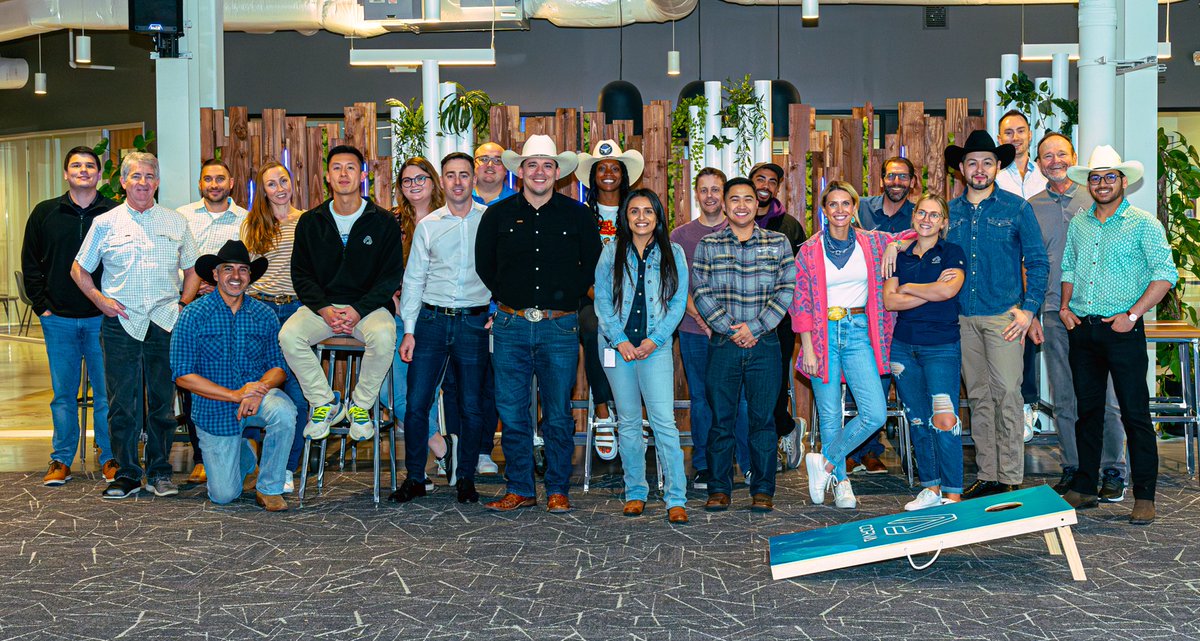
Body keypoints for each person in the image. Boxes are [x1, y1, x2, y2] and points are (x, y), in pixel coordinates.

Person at [475, 134, 603, 513]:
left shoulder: (578, 215)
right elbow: (484, 265)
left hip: (559, 327)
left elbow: (592, 266)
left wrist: (565, 298)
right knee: (512, 412)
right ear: (520, 171)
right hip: (510, 324)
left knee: (558, 413)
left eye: (548, 165)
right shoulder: (497, 215)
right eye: (532, 164)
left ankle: (558, 489)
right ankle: (520, 488)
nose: (540, 172)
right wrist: (508, 297)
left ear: (558, 172)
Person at [71, 151, 201, 500]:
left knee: (162, 403)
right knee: (121, 403)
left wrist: (183, 304)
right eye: (136, 176)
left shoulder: (175, 221)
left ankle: (159, 472)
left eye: (149, 176)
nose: (143, 182)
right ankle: (127, 473)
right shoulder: (106, 222)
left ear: (157, 182)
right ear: (123, 181)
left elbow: (193, 270)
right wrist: (100, 300)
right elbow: (79, 269)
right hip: (121, 323)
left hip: (164, 321)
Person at [1059, 145, 1176, 525]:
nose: (1102, 183)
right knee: (1087, 412)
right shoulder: (1080, 223)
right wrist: (1064, 307)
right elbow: (1069, 268)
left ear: (1123, 181)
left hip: (1123, 331)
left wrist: (1133, 315)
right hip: (1082, 329)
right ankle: (1084, 487)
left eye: (1110, 176)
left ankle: (1145, 496)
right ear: (1088, 183)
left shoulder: (1144, 223)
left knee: (1135, 414)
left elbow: (1165, 275)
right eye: (1096, 177)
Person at [793, 181, 913, 509]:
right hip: (822, 335)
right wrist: (808, 348)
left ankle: (825, 462)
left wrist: (895, 246)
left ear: (855, 207)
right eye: (833, 204)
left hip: (859, 331)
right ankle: (841, 483)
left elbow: (917, 233)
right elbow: (800, 302)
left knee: (874, 413)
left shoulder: (874, 242)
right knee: (830, 414)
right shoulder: (809, 250)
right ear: (824, 209)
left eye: (846, 203)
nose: (840, 210)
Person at [944, 130, 1049, 499]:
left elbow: (1038, 263)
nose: (980, 168)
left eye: (987, 162)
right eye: (972, 162)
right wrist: (895, 247)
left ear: (997, 167)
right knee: (978, 397)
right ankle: (988, 474)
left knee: (1007, 394)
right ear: (961, 168)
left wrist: (1029, 311)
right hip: (962, 319)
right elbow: (924, 246)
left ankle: (1010, 477)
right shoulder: (950, 213)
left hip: (1005, 317)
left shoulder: (1016, 209)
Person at [1026, 133, 1128, 500]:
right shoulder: (1031, 207)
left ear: (1073, 157)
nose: (1054, 161)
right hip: (1055, 313)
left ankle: (1113, 469)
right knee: (1065, 397)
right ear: (1039, 164)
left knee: (1107, 397)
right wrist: (1032, 313)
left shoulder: (1096, 196)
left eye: (1061, 154)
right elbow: (1029, 263)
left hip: (1099, 315)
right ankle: (1074, 467)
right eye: (1047, 156)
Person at [280, 145, 403, 442]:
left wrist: (359, 309)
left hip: (368, 309)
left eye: (350, 167)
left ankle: (360, 405)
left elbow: (390, 277)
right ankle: (324, 402)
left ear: (362, 175)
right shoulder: (311, 221)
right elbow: (301, 275)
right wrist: (324, 308)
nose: (343, 173)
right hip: (321, 308)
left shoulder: (383, 221)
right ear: (327, 176)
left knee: (385, 336)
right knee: (289, 336)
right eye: (336, 167)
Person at [389, 152, 492, 505]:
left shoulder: (489, 221)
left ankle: (466, 478)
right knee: (417, 403)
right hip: (430, 322)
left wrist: (497, 311)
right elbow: (414, 280)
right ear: (442, 181)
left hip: (473, 322)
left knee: (471, 405)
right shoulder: (429, 225)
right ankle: (415, 478)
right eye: (451, 175)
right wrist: (409, 330)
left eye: (464, 174)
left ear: (473, 179)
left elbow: (504, 270)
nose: (458, 182)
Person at [692, 177, 795, 513]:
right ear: (724, 205)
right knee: (721, 420)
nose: (741, 205)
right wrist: (731, 329)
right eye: (734, 199)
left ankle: (763, 489)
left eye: (748, 199)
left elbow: (786, 289)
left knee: (763, 421)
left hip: (765, 344)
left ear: (756, 204)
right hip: (724, 344)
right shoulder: (708, 244)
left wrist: (755, 327)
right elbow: (701, 291)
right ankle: (719, 489)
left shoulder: (778, 242)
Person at [170, 241, 294, 511]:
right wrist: (235, 395)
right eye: (228, 269)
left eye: (243, 270)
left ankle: (269, 488)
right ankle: (246, 457)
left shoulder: (264, 314)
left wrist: (258, 389)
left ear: (250, 276)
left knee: (284, 411)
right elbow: (182, 374)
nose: (236, 276)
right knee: (224, 495)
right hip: (214, 409)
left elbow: (279, 367)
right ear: (215, 274)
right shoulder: (193, 315)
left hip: (256, 398)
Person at [22, 146, 117, 486]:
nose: (83, 170)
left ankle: (109, 457)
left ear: (99, 175)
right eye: (76, 165)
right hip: (58, 319)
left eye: (90, 165)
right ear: (66, 174)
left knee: (106, 395)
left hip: (102, 319)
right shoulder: (44, 212)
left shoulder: (114, 213)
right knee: (63, 395)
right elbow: (31, 262)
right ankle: (61, 459)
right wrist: (42, 306)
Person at [594, 189, 690, 524]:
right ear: (626, 216)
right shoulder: (611, 252)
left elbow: (678, 302)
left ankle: (676, 498)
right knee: (629, 423)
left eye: (648, 211)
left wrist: (656, 340)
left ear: (658, 216)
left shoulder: (674, 252)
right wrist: (619, 339)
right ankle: (635, 492)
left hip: (655, 348)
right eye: (634, 211)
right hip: (617, 348)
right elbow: (602, 300)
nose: (641, 217)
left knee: (664, 422)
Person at [882, 194, 967, 510]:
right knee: (917, 420)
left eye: (934, 215)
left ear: (943, 222)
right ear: (913, 216)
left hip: (941, 346)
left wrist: (908, 288)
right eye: (921, 213)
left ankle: (953, 494)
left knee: (944, 420)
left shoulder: (952, 252)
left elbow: (948, 290)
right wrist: (931, 291)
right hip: (903, 348)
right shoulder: (899, 254)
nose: (926, 219)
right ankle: (930, 489)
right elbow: (889, 301)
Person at [670, 168, 753, 489]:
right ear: (696, 194)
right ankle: (704, 465)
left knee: (740, 398)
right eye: (703, 190)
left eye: (715, 189)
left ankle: (746, 463)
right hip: (694, 330)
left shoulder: (740, 229)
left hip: (735, 331)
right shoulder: (680, 236)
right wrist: (705, 322)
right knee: (702, 398)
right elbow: (678, 286)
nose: (709, 196)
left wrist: (726, 325)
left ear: (724, 194)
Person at [178, 157, 249, 484]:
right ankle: (201, 456)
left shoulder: (246, 220)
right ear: (200, 184)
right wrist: (193, 286)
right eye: (208, 179)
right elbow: (176, 261)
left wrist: (226, 284)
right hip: (195, 306)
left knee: (237, 374)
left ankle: (242, 449)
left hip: (235, 307)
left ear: (231, 183)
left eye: (220, 178)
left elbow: (250, 264)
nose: (214, 184)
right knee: (194, 381)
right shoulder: (183, 216)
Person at [847, 156, 919, 475]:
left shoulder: (918, 214)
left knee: (884, 373)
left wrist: (898, 242)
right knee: (859, 376)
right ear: (882, 180)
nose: (896, 182)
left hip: (902, 307)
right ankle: (856, 448)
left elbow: (932, 235)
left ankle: (870, 449)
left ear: (912, 182)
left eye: (903, 177)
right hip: (859, 304)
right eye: (891, 176)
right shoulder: (861, 208)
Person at [241, 160, 309, 491]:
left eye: (283, 181)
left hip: (297, 310)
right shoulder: (251, 225)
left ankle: (286, 468)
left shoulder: (307, 221)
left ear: (292, 183)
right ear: (263, 190)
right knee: (257, 387)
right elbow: (244, 273)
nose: (279, 188)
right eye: (272, 184)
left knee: (298, 393)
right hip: (261, 309)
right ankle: (254, 460)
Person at [575, 140, 643, 450]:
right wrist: (600, 298)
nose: (608, 173)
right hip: (591, 296)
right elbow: (576, 264)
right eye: (601, 168)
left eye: (615, 168)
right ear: (593, 176)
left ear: (623, 175)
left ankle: (637, 413)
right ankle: (602, 411)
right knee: (594, 330)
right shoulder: (581, 215)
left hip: (634, 297)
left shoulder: (636, 211)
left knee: (646, 331)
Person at [390, 157, 446, 482]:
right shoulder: (392, 221)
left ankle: (423, 465)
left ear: (433, 181)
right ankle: (441, 447)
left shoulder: (448, 217)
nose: (414, 185)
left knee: (423, 392)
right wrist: (395, 301)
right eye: (407, 180)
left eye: (420, 178)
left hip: (436, 317)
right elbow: (380, 268)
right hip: (397, 315)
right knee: (391, 391)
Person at [749, 162, 807, 445]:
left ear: (778, 187)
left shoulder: (789, 226)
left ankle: (780, 432)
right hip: (740, 318)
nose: (765, 185)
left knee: (775, 381)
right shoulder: (735, 220)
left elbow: (800, 274)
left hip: (780, 319)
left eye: (772, 181)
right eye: (760, 179)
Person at [472, 142, 517, 206]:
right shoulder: (460, 197)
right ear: (473, 165)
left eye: (497, 160)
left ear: (506, 168)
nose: (490, 165)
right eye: (484, 159)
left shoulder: (517, 203)